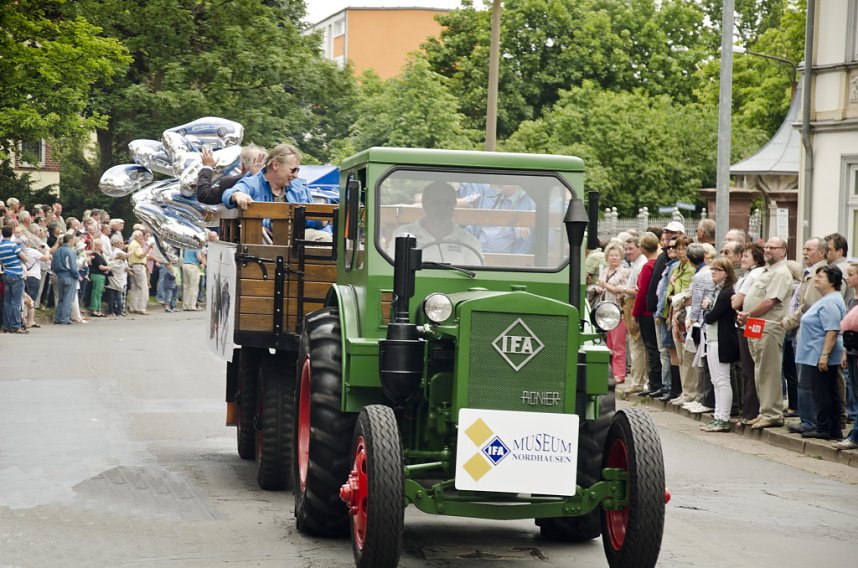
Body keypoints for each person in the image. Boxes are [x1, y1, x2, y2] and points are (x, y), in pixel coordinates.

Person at [736, 237, 794, 429]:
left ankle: (772, 413)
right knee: (759, 369)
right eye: (766, 247)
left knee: (768, 370)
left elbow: (771, 301)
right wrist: (748, 317)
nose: (768, 250)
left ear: (783, 251)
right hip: (755, 325)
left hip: (768, 326)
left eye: (773, 247)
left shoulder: (781, 273)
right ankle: (765, 411)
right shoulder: (767, 271)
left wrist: (748, 314)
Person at [221, 143, 332, 242]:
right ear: (275, 165)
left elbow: (310, 221)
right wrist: (237, 194)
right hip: (265, 242)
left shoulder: (299, 188)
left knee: (327, 240)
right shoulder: (252, 183)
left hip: (297, 239)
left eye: (298, 170)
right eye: (293, 170)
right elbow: (229, 193)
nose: (296, 175)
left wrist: (320, 220)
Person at [795, 265, 847, 440]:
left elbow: (832, 330)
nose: (816, 279)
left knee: (822, 393)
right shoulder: (827, 298)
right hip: (816, 354)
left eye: (821, 277)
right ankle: (831, 429)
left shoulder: (831, 301)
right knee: (827, 391)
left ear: (832, 281)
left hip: (820, 354)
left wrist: (824, 355)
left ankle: (824, 428)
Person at [782, 238, 827, 434]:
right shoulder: (808, 272)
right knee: (802, 379)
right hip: (800, 334)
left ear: (822, 253)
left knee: (807, 381)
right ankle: (806, 419)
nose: (804, 252)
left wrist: (789, 321)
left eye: (809, 249)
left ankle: (811, 421)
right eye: (804, 249)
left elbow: (809, 306)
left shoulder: (820, 272)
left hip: (810, 334)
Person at [390, 181, 483, 264]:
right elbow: (391, 270)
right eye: (436, 203)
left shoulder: (469, 241)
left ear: (454, 205)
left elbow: (478, 276)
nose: (442, 208)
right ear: (424, 203)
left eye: (447, 203)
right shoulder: (401, 236)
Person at [700, 257, 740, 432]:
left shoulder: (726, 293)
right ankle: (718, 416)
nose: (713, 272)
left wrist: (706, 308)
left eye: (717, 270)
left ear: (726, 273)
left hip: (720, 340)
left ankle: (723, 418)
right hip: (712, 339)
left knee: (722, 380)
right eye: (712, 269)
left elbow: (710, 317)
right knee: (716, 380)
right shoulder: (718, 291)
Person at [632, 232, 663, 397]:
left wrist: (634, 313)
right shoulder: (657, 264)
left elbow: (642, 292)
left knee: (651, 348)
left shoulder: (647, 267)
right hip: (653, 310)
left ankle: (654, 382)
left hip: (645, 312)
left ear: (643, 248)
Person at [595, 242, 630, 383]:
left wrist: (605, 286)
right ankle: (609, 373)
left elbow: (620, 290)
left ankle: (619, 374)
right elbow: (600, 286)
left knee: (618, 345)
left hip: (618, 311)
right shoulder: (604, 270)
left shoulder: (624, 272)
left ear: (621, 257)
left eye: (616, 255)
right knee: (609, 344)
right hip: (605, 312)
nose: (614, 258)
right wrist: (599, 288)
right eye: (611, 255)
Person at [473, 184, 536, 254]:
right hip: (476, 255)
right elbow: (473, 227)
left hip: (504, 261)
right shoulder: (490, 196)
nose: (498, 181)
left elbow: (524, 246)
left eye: (504, 178)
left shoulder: (529, 205)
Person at [196, 144, 267, 205]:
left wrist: (207, 166)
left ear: (243, 165)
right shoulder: (275, 183)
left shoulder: (229, 183)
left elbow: (204, 195)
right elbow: (204, 196)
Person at [0, 225, 29, 333]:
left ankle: (6, 326)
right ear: (11, 233)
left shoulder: (0, 246)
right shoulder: (13, 246)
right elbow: (25, 259)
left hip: (6, 273)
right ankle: (16, 325)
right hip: (16, 273)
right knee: (16, 302)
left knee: (7, 301)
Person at [52, 233, 79, 325]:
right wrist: (77, 275)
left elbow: (53, 264)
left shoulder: (57, 251)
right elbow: (72, 266)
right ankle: (65, 318)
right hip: (68, 275)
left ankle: (58, 317)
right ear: (70, 240)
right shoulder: (70, 251)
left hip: (59, 275)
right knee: (68, 298)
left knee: (61, 298)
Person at [126, 229, 151, 315]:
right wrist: (148, 248)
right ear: (136, 236)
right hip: (138, 266)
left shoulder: (133, 244)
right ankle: (141, 307)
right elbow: (140, 256)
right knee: (143, 287)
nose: (142, 238)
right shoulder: (135, 245)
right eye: (140, 236)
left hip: (133, 265)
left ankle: (133, 307)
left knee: (135, 288)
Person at [88, 239, 109, 317]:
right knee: (96, 292)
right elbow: (100, 267)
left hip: (101, 275)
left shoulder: (100, 255)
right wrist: (109, 267)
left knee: (99, 293)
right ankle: (94, 309)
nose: (101, 246)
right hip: (97, 275)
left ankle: (98, 309)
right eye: (100, 245)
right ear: (96, 246)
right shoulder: (96, 255)